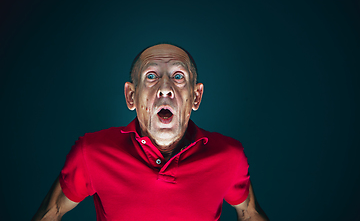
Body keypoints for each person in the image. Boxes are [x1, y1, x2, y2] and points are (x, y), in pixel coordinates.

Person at [32, 43, 269, 221]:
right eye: (151, 76)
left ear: (196, 97)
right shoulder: (91, 152)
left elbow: (249, 212)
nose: (165, 89)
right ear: (131, 96)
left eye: (178, 76)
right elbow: (52, 211)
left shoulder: (229, 156)